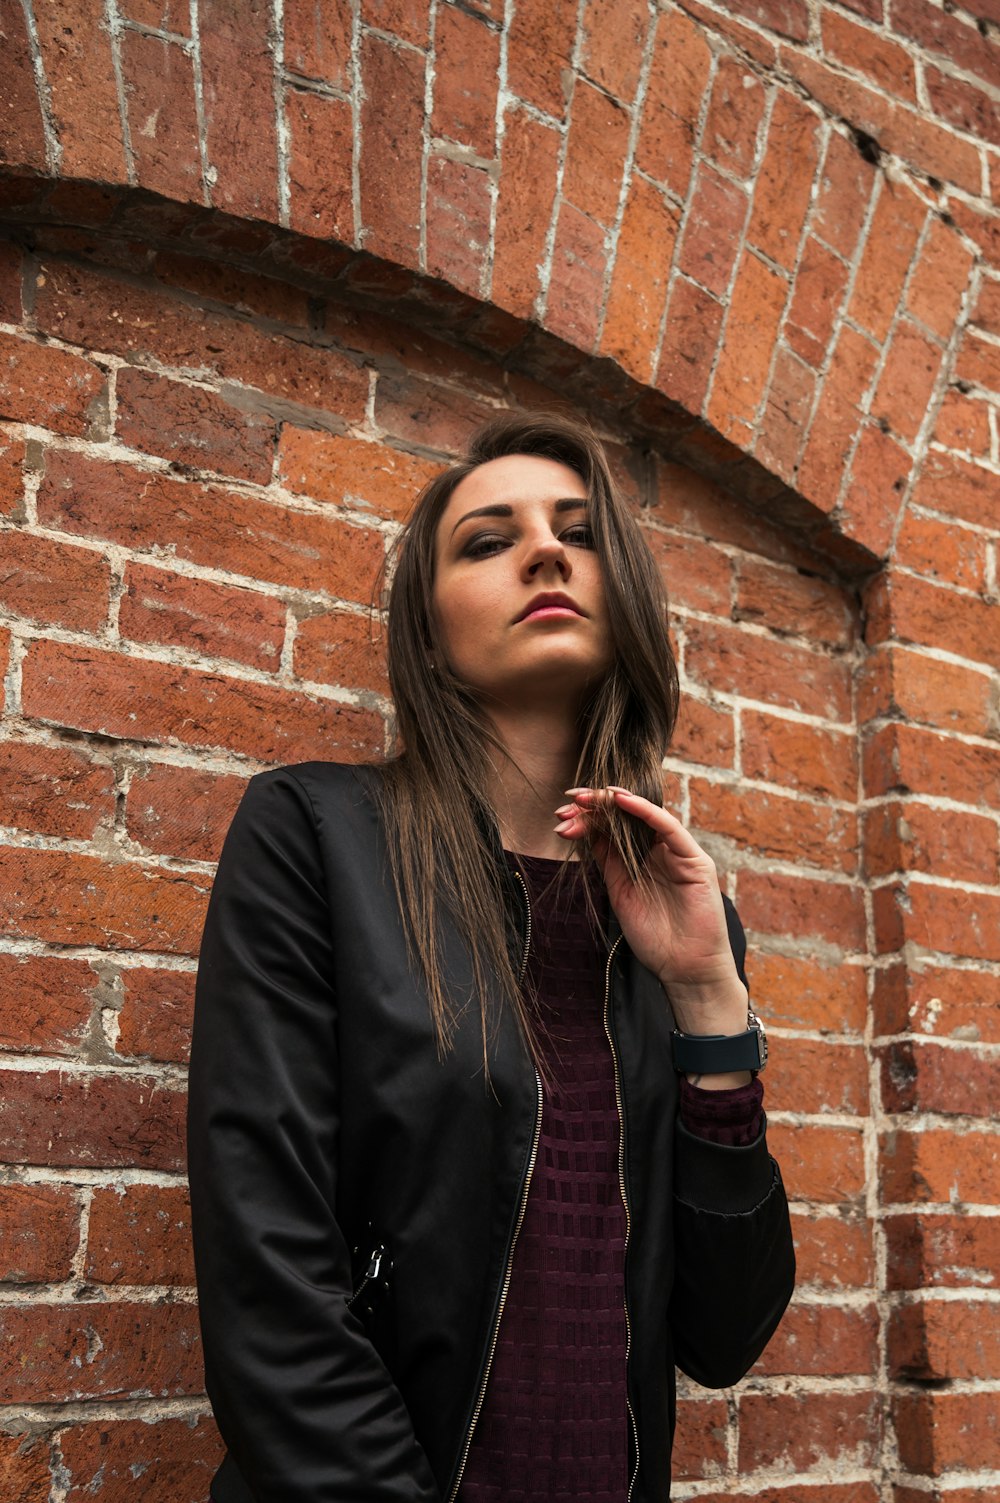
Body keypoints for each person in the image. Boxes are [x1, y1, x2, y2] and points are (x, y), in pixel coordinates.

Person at [187, 412, 795, 1503]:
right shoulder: (316, 839)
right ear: (427, 632)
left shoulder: (675, 906)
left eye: (578, 530)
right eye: (485, 540)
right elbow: (268, 1270)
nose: (546, 551)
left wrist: (709, 996)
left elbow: (723, 1333)